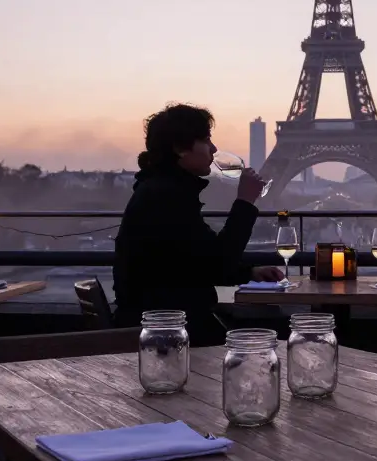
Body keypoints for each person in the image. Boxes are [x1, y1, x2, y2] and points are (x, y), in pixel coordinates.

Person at [113, 103, 283, 346]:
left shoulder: (160, 190)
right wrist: (245, 201)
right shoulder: (167, 196)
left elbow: (196, 260)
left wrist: (249, 272)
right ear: (181, 148)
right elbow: (217, 264)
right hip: (171, 333)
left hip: (160, 324)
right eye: (206, 140)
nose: (213, 149)